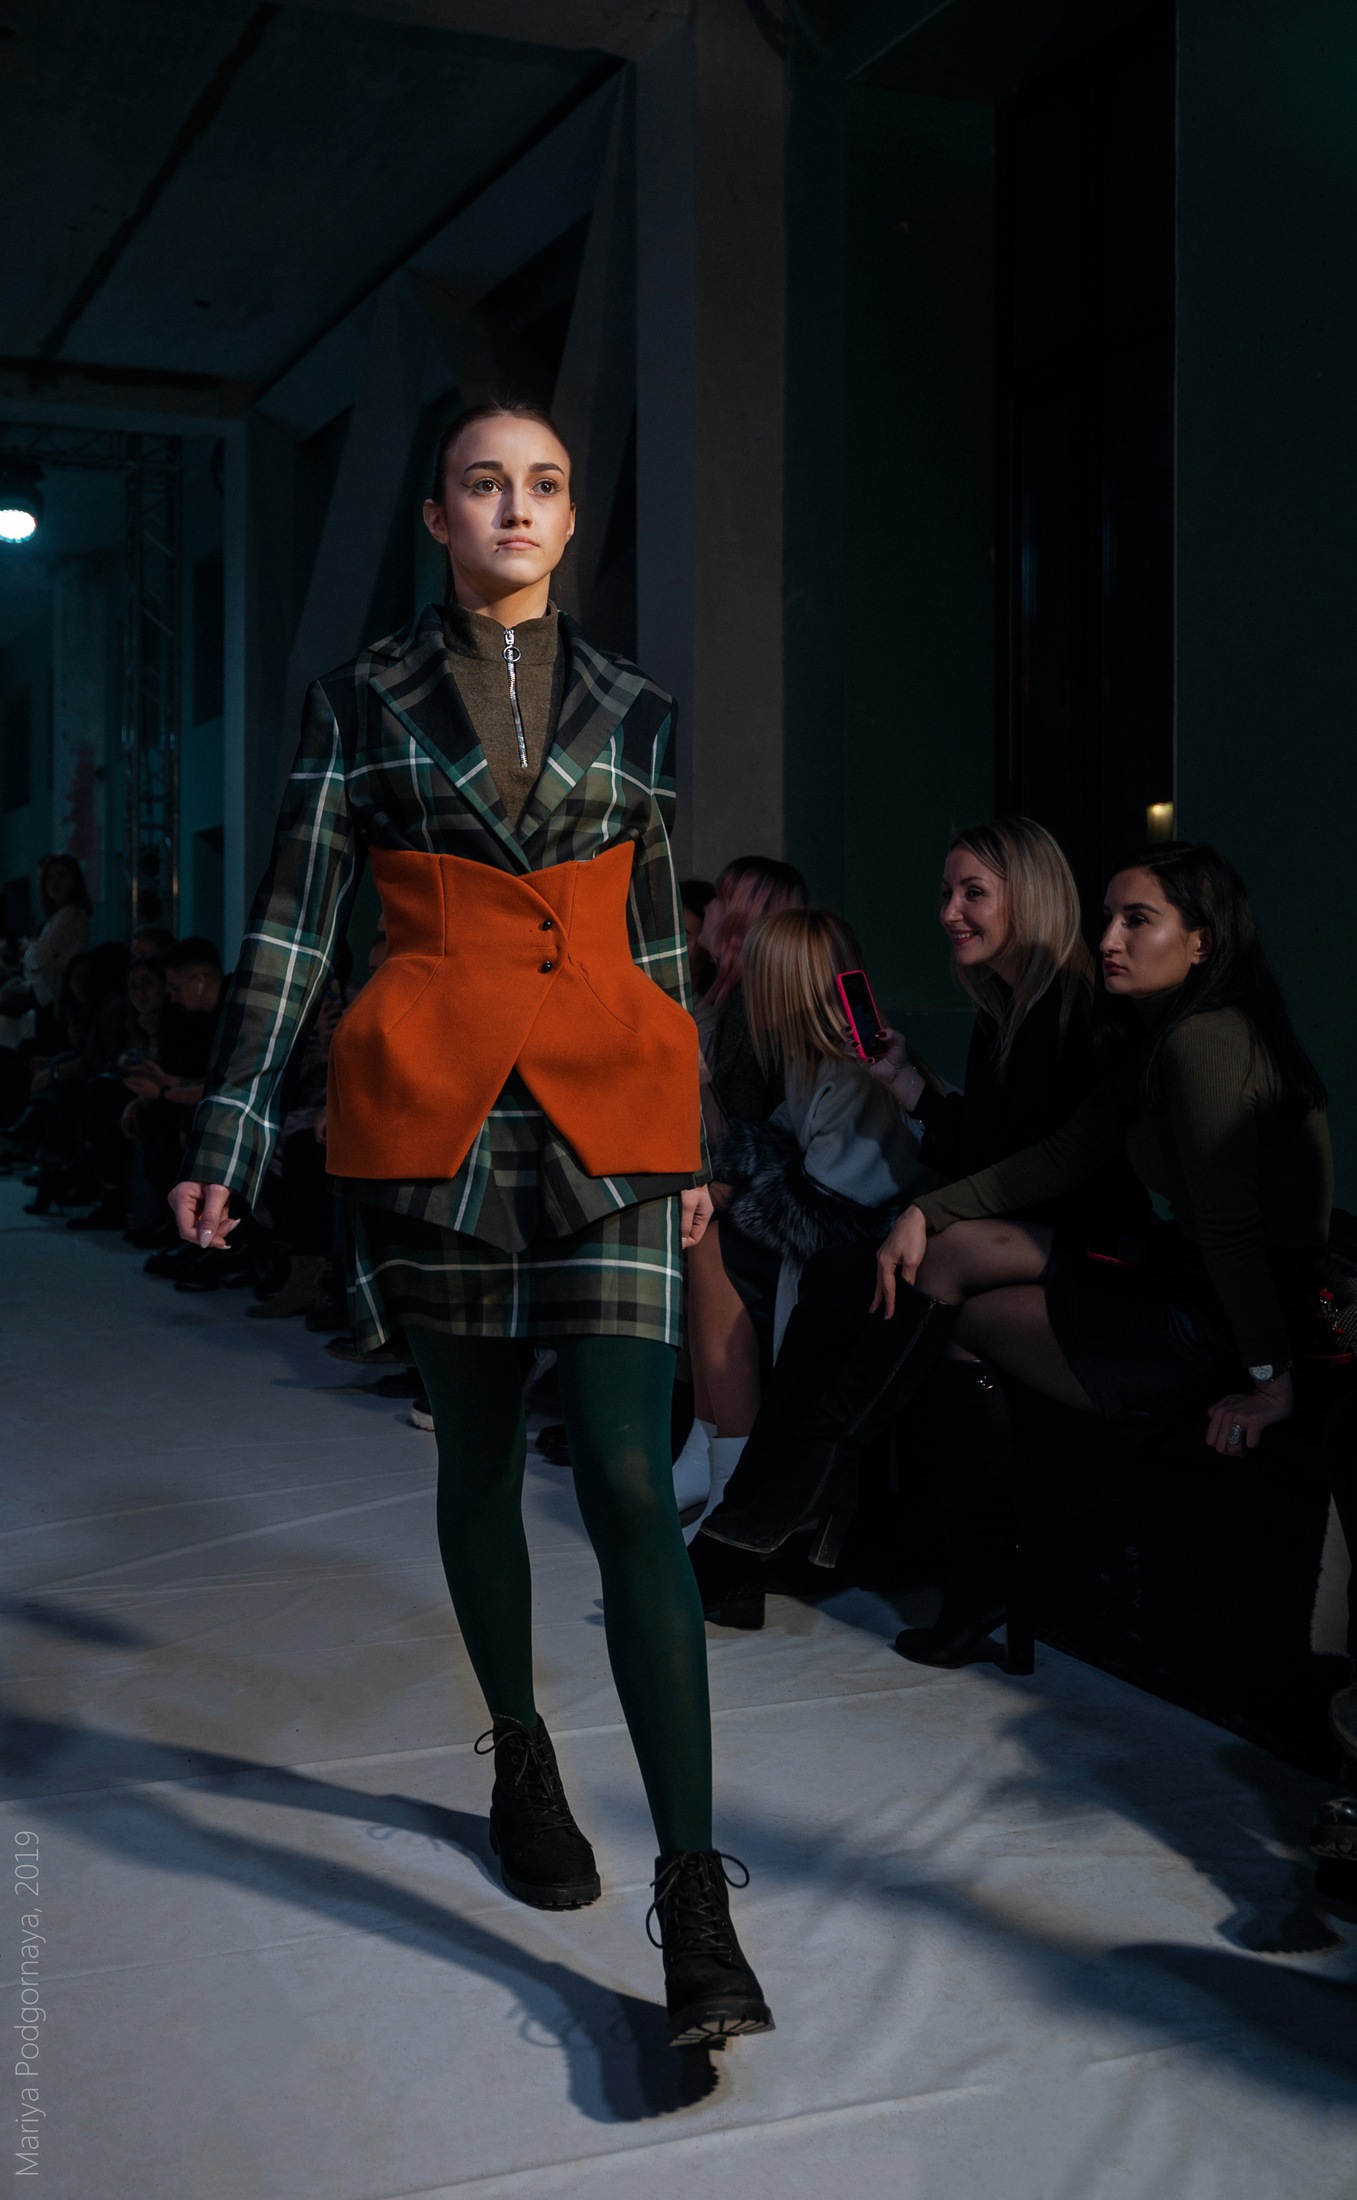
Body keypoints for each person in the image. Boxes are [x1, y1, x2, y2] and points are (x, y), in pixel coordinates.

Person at [170, 400, 771, 2047]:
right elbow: (295, 923)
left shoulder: (637, 709)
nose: (516, 506)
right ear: (435, 516)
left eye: (544, 484)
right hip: (436, 1106)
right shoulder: (356, 700)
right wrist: (233, 1122)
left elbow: (657, 938)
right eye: (484, 483)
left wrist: (687, 1132)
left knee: (633, 1478)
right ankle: (520, 1752)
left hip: (610, 1111)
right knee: (480, 1459)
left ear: (570, 520)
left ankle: (695, 1897)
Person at [818, 840, 1330, 1668]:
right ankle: (906, 1528)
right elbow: (1056, 1158)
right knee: (949, 1266)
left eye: (1137, 921)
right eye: (1107, 919)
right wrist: (924, 1209)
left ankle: (899, 1522)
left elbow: (1232, 1231)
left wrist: (1270, 1382)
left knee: (958, 1316)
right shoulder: (1161, 1036)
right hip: (1183, 1281)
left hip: (1221, 1318)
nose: (1109, 940)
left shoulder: (1207, 1040)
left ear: (1201, 941)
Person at [694, 815, 1144, 1632]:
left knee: (858, 1279)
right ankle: (771, 1525)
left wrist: (922, 1212)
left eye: (973, 894)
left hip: (1079, 1245)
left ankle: (761, 1527)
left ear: (1029, 897)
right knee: (842, 1276)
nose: (949, 913)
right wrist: (906, 1084)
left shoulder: (1073, 1010)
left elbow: (1042, 1170)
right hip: (1002, 1233)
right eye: (945, 894)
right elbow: (986, 1150)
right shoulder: (1004, 1010)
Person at [672, 856, 808, 1518]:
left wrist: (696, 1085)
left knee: (700, 1235)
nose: (709, 909)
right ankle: (705, 1447)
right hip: (754, 1182)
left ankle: (721, 1461)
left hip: (780, 1193)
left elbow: (749, 1139)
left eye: (723, 898)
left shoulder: (749, 1008)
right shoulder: (723, 1001)